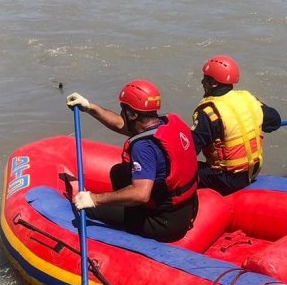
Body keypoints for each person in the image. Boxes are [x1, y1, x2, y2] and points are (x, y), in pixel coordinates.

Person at [65, 80, 198, 243]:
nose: (121, 113)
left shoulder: (143, 146)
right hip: (187, 208)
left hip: (164, 223)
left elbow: (141, 194)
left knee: (88, 210)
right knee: (118, 172)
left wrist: (94, 199)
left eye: (123, 109)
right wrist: (89, 107)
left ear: (134, 114)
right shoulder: (165, 124)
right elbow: (121, 124)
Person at [190, 54, 282, 195]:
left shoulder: (209, 112)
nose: (202, 82)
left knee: (187, 170)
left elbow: (190, 151)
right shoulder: (249, 99)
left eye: (205, 79)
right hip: (253, 171)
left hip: (228, 180)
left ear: (213, 84)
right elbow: (275, 121)